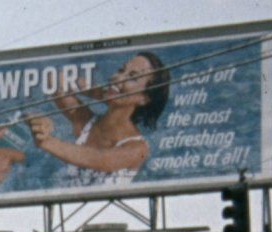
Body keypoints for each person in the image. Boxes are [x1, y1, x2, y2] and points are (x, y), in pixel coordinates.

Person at [28, 51, 171, 187]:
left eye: (132, 77)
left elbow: (101, 160)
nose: (118, 77)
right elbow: (53, 79)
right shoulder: (85, 122)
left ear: (144, 99)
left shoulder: (137, 148)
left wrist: (45, 140)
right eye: (121, 70)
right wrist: (103, 93)